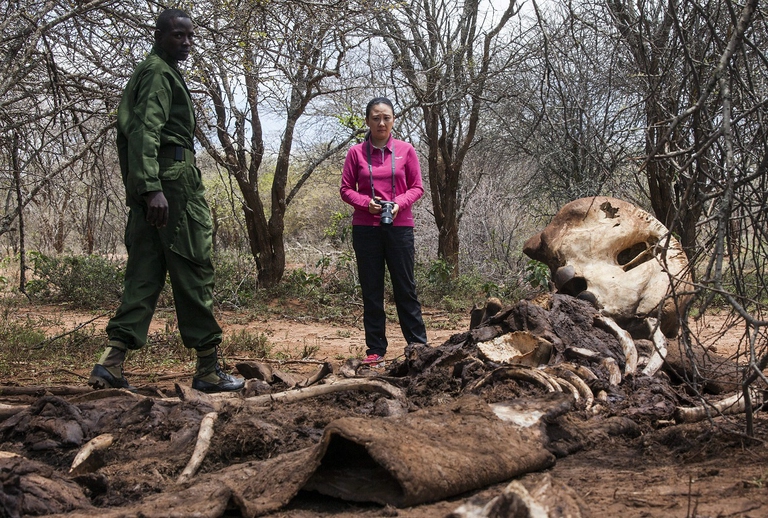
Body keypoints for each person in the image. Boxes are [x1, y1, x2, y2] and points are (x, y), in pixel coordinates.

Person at [88, 9, 244, 393]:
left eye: (190, 36)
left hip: (155, 186)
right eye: (178, 35)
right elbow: (145, 130)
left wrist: (144, 188)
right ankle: (208, 368)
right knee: (193, 267)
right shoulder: (158, 72)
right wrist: (152, 187)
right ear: (158, 35)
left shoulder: (158, 70)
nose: (186, 42)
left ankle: (111, 362)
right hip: (170, 186)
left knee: (144, 272)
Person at [340, 97, 429, 366]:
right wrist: (367, 204)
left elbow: (417, 187)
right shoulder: (356, 153)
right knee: (372, 289)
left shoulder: (406, 150)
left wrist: (398, 203)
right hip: (366, 229)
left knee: (405, 287)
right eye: (376, 117)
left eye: (386, 117)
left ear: (393, 120)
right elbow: (345, 189)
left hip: (400, 228)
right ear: (367, 121)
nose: (381, 122)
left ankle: (417, 346)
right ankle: (375, 350)